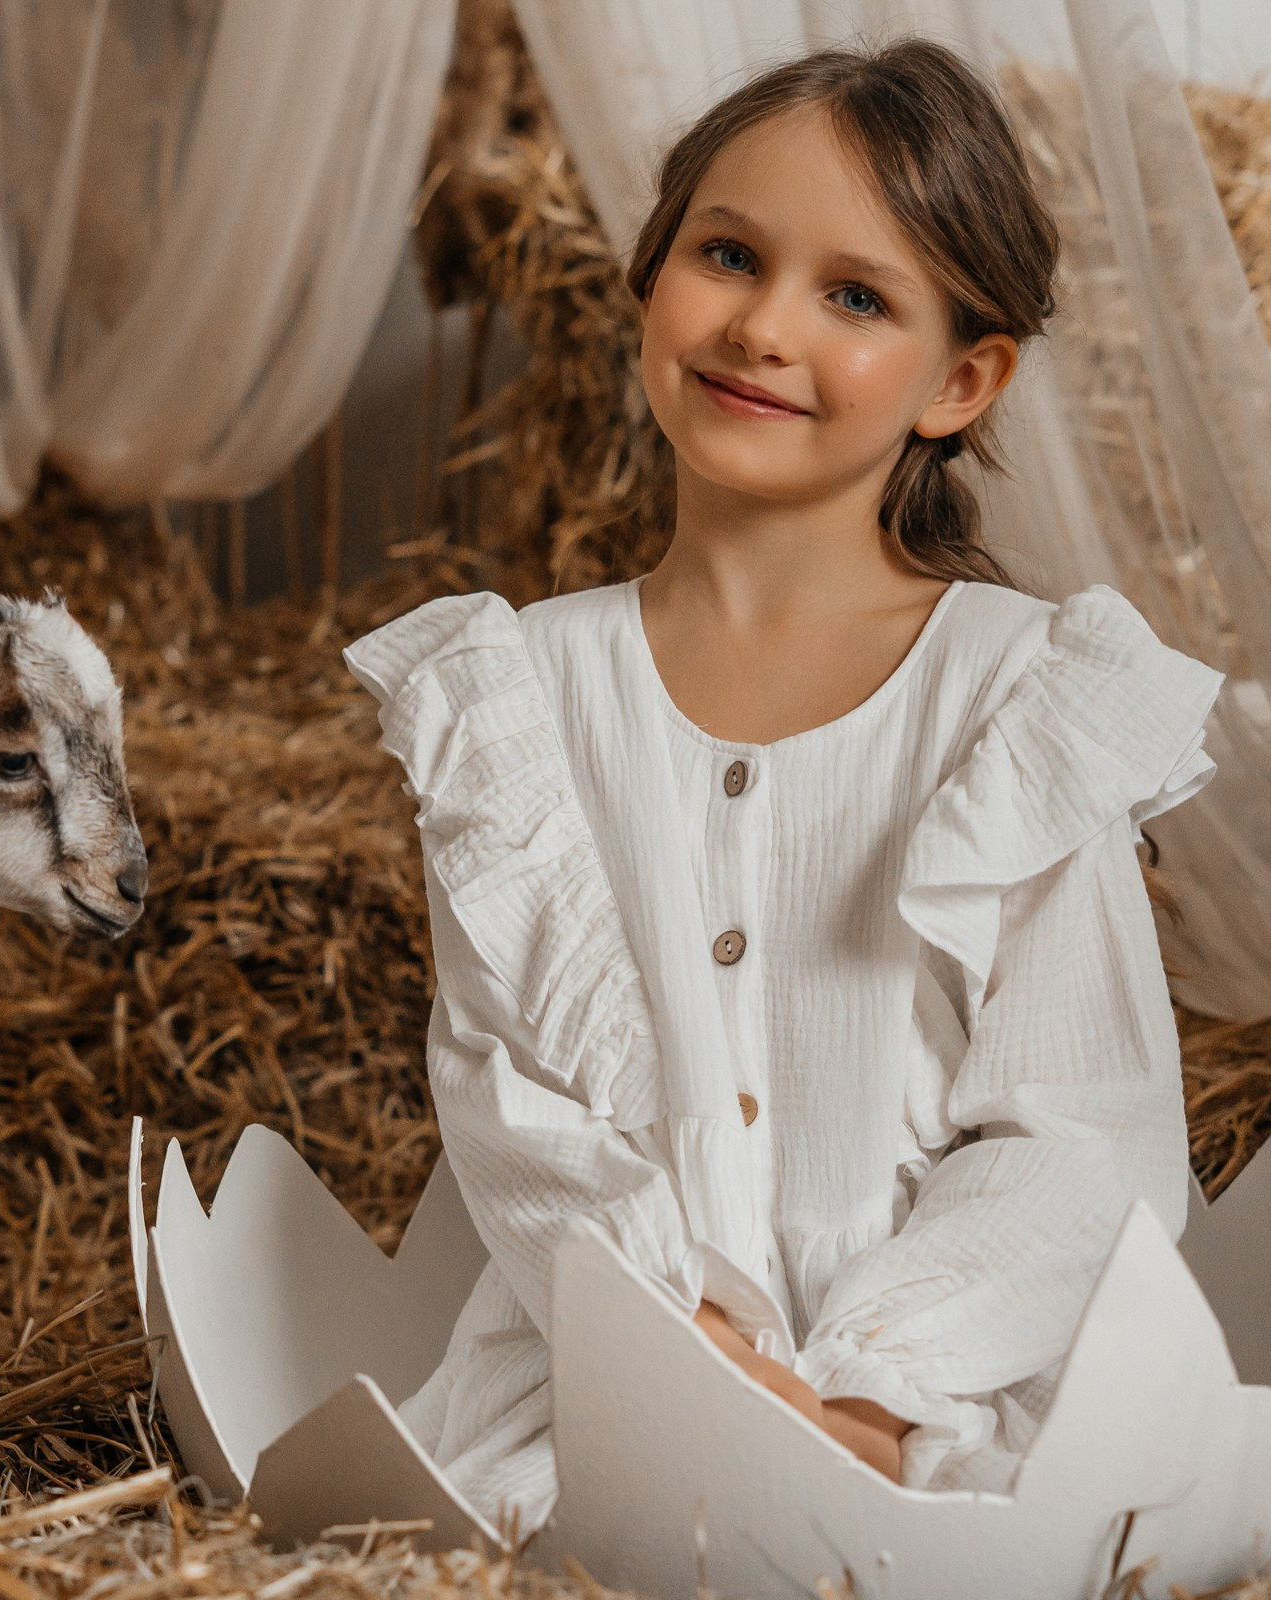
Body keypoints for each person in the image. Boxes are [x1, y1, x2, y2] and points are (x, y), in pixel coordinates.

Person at [342, 38, 1223, 1526]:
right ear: (650, 279)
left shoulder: (1018, 697)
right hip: (604, 1374)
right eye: (730, 256)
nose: (761, 327)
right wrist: (701, 1377)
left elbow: (1081, 1132)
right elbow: (514, 1107)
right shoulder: (512, 698)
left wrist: (866, 1404)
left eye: (856, 297)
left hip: (945, 1393)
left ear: (961, 379)